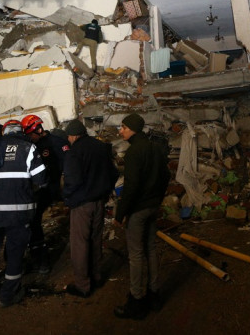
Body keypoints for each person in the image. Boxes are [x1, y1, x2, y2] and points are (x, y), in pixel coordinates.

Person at [0, 120, 47, 307]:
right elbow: (42, 180)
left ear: (4, 133)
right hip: (17, 213)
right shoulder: (28, 148)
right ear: (22, 132)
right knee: (14, 252)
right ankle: (8, 295)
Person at [113, 113, 170, 320]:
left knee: (136, 255)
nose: (120, 131)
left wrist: (121, 213)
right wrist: (157, 198)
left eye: (123, 127)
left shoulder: (134, 152)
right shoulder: (155, 148)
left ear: (132, 129)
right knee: (151, 249)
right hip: (153, 206)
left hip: (138, 210)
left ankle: (136, 302)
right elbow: (166, 176)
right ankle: (154, 295)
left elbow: (131, 187)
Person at [62, 119, 117, 298]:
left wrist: (67, 198)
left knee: (79, 244)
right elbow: (114, 172)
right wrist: (106, 191)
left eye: (69, 137)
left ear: (74, 135)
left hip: (82, 204)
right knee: (95, 240)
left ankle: (82, 285)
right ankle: (96, 276)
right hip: (100, 201)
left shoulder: (74, 152)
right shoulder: (100, 147)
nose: (68, 140)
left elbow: (72, 181)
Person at [20, 114, 68, 273]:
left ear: (39, 130)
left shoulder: (57, 143)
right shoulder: (29, 145)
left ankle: (41, 260)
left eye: (30, 134)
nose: (29, 138)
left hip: (49, 188)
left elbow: (68, 167)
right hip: (35, 189)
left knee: (33, 221)